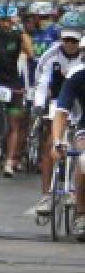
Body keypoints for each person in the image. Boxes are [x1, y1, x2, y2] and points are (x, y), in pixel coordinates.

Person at [31, 11, 83, 218]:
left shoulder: (84, 54)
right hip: (57, 102)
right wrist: (38, 105)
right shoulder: (51, 55)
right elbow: (41, 84)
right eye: (66, 38)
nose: (69, 43)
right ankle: (46, 194)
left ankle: (75, 189)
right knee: (51, 142)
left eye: (74, 39)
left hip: (79, 103)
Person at [0, 3, 34, 177]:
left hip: (14, 85)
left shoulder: (18, 36)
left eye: (9, 21)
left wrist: (22, 34)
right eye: (3, 21)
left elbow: (30, 53)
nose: (6, 24)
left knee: (14, 122)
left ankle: (9, 161)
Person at [50, 62, 85, 238]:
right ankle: (81, 214)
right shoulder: (77, 75)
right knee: (84, 158)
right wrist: (57, 141)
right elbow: (61, 112)